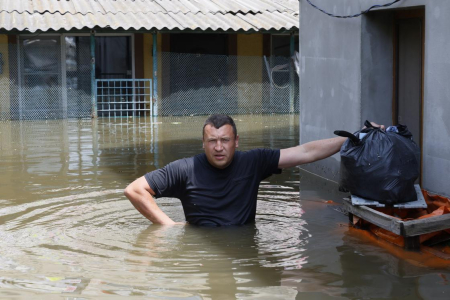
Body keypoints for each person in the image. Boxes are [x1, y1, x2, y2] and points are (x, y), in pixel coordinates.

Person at [124, 114, 384, 226]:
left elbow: (305, 152)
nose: (218, 147)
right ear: (203, 143)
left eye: (225, 140)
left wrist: (354, 137)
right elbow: (135, 190)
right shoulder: (185, 169)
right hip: (202, 245)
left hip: (246, 242)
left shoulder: (253, 161)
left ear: (236, 141)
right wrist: (168, 226)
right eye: (212, 141)